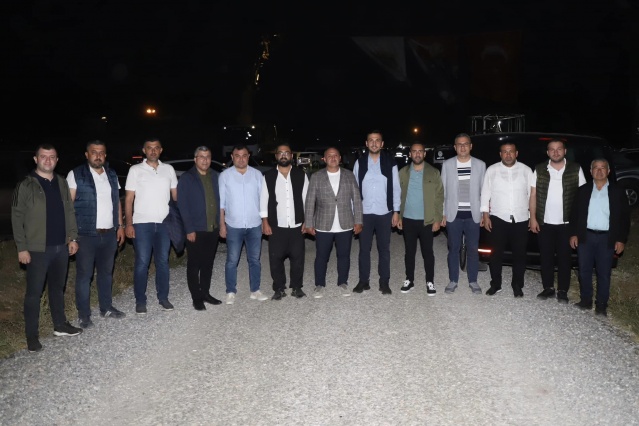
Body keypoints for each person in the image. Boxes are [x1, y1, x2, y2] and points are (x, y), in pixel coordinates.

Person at [11, 143, 83, 352]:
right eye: (43, 156)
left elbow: (69, 211)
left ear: (57, 160)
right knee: (34, 294)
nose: (48, 160)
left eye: (52, 157)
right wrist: (22, 247)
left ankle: (60, 325)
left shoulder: (61, 182)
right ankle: (31, 336)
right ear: (36, 159)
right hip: (36, 249)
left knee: (57, 289)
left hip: (61, 246)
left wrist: (72, 237)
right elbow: (17, 217)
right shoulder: (26, 185)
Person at [67, 140, 126, 329]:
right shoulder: (76, 174)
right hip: (85, 235)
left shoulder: (112, 174)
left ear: (105, 155)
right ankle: (84, 315)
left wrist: (120, 226)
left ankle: (106, 307)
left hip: (109, 233)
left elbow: (116, 202)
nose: (98, 156)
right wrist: (71, 236)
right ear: (87, 155)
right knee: (84, 276)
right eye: (94, 152)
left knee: (106, 273)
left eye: (101, 152)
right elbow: (68, 207)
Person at [569, 159, 630, 316]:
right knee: (584, 270)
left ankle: (601, 305)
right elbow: (574, 214)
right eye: (596, 168)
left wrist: (621, 239)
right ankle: (586, 300)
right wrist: (574, 234)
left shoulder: (617, 191)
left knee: (604, 273)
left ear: (608, 171)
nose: (599, 170)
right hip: (586, 237)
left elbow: (625, 218)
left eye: (603, 168)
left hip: (606, 238)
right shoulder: (583, 190)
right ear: (591, 171)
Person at [124, 138, 178, 314]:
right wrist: (128, 224)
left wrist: (179, 221)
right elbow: (129, 199)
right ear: (144, 150)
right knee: (142, 262)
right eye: (149, 148)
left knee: (163, 261)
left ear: (161, 150)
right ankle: (140, 300)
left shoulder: (169, 169)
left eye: (156, 148)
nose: (153, 151)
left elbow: (175, 197)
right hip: (142, 224)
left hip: (164, 224)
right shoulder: (135, 170)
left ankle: (163, 298)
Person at [529, 139, 586, 303]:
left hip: (566, 223)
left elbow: (582, 196)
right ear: (547, 152)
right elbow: (533, 194)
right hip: (545, 222)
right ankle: (548, 288)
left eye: (559, 149)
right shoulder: (539, 169)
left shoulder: (575, 169)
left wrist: (579, 224)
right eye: (552, 149)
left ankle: (562, 290)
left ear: (565, 151)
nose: (555, 152)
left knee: (564, 258)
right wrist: (532, 218)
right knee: (545, 257)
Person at [305, 147, 363, 298]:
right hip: (323, 224)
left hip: (345, 223)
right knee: (321, 256)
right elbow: (310, 201)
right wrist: (309, 223)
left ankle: (343, 282)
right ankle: (319, 284)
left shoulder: (349, 175)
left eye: (335, 155)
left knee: (344, 255)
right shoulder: (316, 177)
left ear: (340, 158)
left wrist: (358, 221)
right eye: (329, 156)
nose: (333, 158)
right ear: (324, 159)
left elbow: (357, 199)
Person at [480, 142, 533, 298]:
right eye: (505, 151)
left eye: (511, 151)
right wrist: (485, 215)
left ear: (516, 153)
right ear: (500, 154)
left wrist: (532, 217)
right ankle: (496, 284)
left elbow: (532, 195)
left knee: (519, 254)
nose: (508, 154)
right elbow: (485, 193)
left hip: (521, 218)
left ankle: (517, 285)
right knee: (495, 254)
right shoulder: (492, 170)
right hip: (498, 217)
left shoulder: (526, 170)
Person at [352, 130, 401, 295]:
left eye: (377, 140)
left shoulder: (390, 162)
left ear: (382, 144)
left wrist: (396, 211)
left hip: (384, 212)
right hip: (364, 212)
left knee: (384, 249)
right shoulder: (359, 163)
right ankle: (363, 281)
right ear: (366, 144)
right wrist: (355, 214)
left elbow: (396, 188)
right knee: (364, 249)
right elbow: (354, 189)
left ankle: (384, 282)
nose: (374, 143)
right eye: (371, 140)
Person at [219, 145, 268, 304]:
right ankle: (230, 291)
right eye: (237, 155)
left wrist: (264, 221)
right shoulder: (225, 176)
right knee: (232, 260)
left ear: (248, 156)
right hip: (233, 225)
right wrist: (222, 225)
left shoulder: (257, 175)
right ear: (232, 157)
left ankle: (255, 290)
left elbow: (263, 200)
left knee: (254, 260)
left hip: (254, 224)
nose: (241, 159)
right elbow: (221, 204)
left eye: (244, 155)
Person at [260, 143, 309, 300]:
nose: (283, 155)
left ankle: (296, 287)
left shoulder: (301, 175)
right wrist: (265, 221)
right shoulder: (268, 176)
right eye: (280, 153)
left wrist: (307, 221)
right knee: (275, 259)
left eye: (286, 152)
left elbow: (307, 200)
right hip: (276, 225)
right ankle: (279, 288)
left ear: (291, 156)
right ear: (276, 156)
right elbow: (263, 200)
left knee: (298, 258)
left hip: (296, 225)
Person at [177, 146, 223, 311]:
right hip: (195, 229)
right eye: (201, 157)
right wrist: (189, 229)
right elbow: (182, 205)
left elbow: (220, 202)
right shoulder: (187, 178)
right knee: (194, 264)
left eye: (208, 156)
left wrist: (221, 224)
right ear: (195, 159)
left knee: (208, 263)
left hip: (212, 228)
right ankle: (196, 297)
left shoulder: (215, 176)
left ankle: (205, 293)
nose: (205, 160)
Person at [441, 133, 486, 294]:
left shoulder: (480, 165)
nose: (462, 147)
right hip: (453, 214)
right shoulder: (447, 165)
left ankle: (473, 281)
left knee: (473, 249)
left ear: (471, 146)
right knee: (454, 248)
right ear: (455, 147)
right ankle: (453, 280)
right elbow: (442, 191)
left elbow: (484, 191)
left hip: (473, 214)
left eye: (465, 144)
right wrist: (443, 214)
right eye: (459, 144)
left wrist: (484, 214)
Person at [397, 143, 444, 295]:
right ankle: (409, 279)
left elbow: (439, 197)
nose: (417, 154)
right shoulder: (403, 172)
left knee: (427, 252)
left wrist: (437, 219)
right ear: (410, 154)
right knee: (409, 252)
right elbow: (398, 196)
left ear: (424, 154)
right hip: (408, 219)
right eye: (414, 151)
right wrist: (398, 215)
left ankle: (430, 281)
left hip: (427, 220)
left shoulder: (433, 172)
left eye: (420, 151)